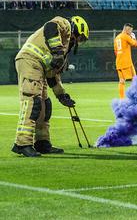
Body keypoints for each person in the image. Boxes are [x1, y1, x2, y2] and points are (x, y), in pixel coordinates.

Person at [12, 16, 89, 157]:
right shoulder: (64, 24)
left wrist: (61, 95)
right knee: (32, 101)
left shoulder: (63, 51)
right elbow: (50, 27)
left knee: (44, 106)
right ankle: (22, 143)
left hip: (41, 68)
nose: (77, 41)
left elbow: (52, 75)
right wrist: (58, 51)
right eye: (79, 37)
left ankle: (42, 143)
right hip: (29, 60)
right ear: (75, 30)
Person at [114, 23, 137, 99]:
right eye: (131, 31)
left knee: (121, 81)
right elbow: (135, 44)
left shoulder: (117, 37)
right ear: (127, 29)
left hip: (118, 61)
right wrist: (133, 37)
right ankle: (136, 96)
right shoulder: (125, 36)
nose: (131, 32)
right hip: (127, 61)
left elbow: (115, 51)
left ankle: (122, 99)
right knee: (135, 79)